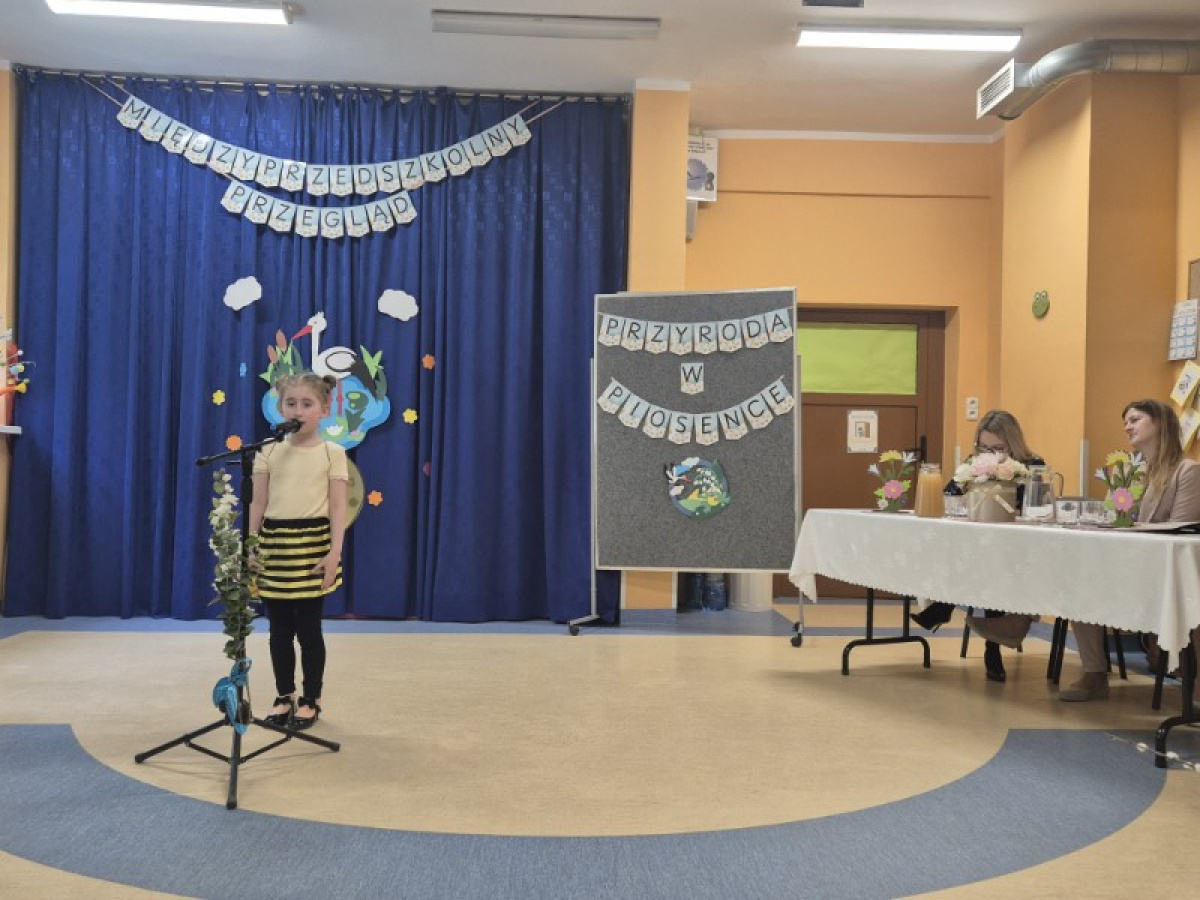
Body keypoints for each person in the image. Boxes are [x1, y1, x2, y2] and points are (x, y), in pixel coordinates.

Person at [970, 399, 1200, 700]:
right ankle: (1093, 673)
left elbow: (1181, 532)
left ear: (1159, 422)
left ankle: (1019, 622)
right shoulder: (1131, 470)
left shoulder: (1187, 471)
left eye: (1135, 420)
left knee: (1082, 574)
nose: (1127, 426)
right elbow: (1115, 516)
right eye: (1125, 421)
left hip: (1166, 571)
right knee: (1077, 574)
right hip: (1132, 560)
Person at [909, 410, 1045, 683]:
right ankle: (989, 646)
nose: (990, 454)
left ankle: (945, 609)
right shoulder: (973, 464)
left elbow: (1037, 508)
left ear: (1013, 444)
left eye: (998, 448)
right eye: (984, 447)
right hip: (983, 546)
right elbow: (949, 494)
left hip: (1021, 549)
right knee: (972, 555)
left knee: (990, 561)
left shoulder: (1033, 466)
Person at [248, 372, 349, 729]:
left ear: (324, 409)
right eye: (291, 403)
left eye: (307, 404)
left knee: (308, 630)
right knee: (278, 630)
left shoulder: (332, 453)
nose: (298, 410)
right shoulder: (268, 451)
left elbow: (338, 506)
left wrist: (334, 553)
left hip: (312, 547)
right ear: (280, 408)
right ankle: (284, 695)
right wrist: (251, 545)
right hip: (275, 546)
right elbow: (258, 503)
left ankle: (311, 698)